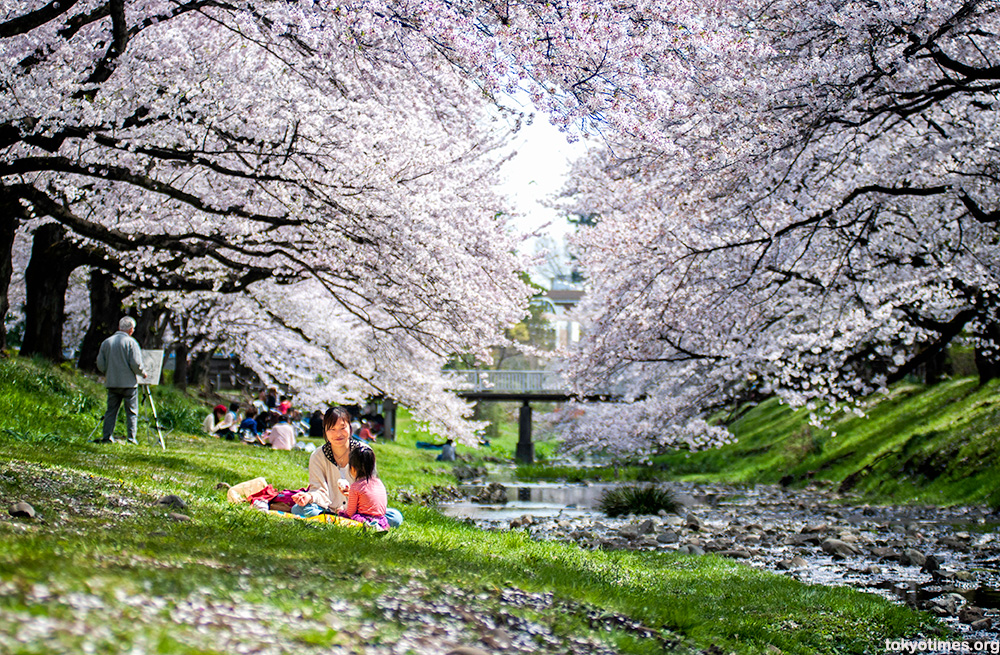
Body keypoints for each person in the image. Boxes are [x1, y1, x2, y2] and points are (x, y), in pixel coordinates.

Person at [95, 316, 148, 444]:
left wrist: (108, 372)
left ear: (119, 327)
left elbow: (100, 363)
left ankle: (107, 436)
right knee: (131, 412)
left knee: (111, 411)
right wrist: (142, 373)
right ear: (130, 330)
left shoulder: (106, 342)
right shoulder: (131, 343)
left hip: (112, 382)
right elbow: (135, 363)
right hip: (129, 384)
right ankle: (131, 438)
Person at [339, 442, 388, 529]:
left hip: (363, 519)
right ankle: (377, 526)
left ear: (353, 468)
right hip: (381, 519)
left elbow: (350, 512)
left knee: (344, 516)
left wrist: (342, 512)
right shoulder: (379, 482)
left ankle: (371, 526)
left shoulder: (356, 486)